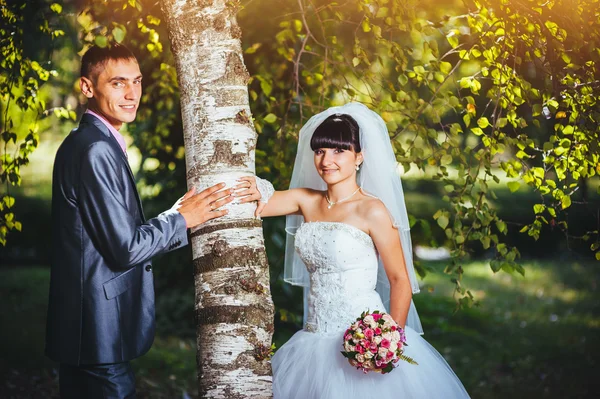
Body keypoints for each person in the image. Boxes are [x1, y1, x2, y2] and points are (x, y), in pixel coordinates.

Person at [236, 102, 469, 398]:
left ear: (359, 156)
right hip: (312, 342)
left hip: (362, 337)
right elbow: (254, 201)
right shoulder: (306, 200)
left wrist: (388, 342)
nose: (326, 160)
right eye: (320, 151)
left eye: (338, 151)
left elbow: (400, 280)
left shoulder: (373, 210)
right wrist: (247, 185)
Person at [45, 44, 233, 398]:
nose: (132, 94)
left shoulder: (88, 141)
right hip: (98, 334)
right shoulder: (96, 149)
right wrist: (181, 219)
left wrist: (175, 215)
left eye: (137, 81)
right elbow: (125, 248)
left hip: (87, 333)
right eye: (118, 83)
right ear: (88, 87)